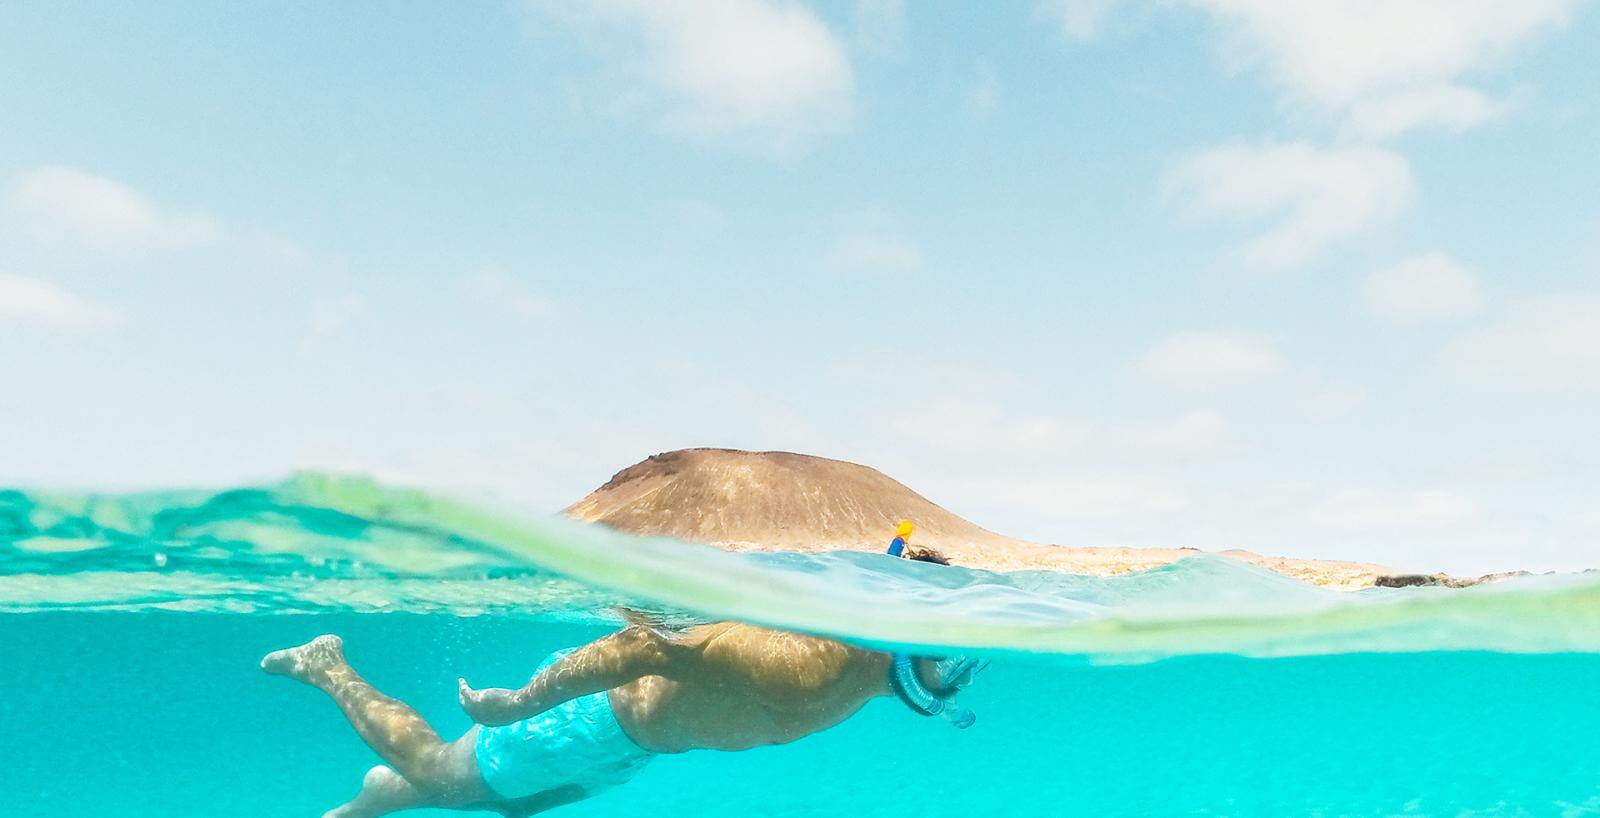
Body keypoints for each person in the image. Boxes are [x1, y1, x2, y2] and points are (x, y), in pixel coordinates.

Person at [261, 618, 986, 818]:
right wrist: (523, 702)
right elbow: (643, 646)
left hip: (631, 744)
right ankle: (328, 664)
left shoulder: (857, 676)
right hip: (593, 719)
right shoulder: (812, 665)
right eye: (954, 657)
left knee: (519, 805)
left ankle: (380, 796)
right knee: (448, 779)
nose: (960, 673)